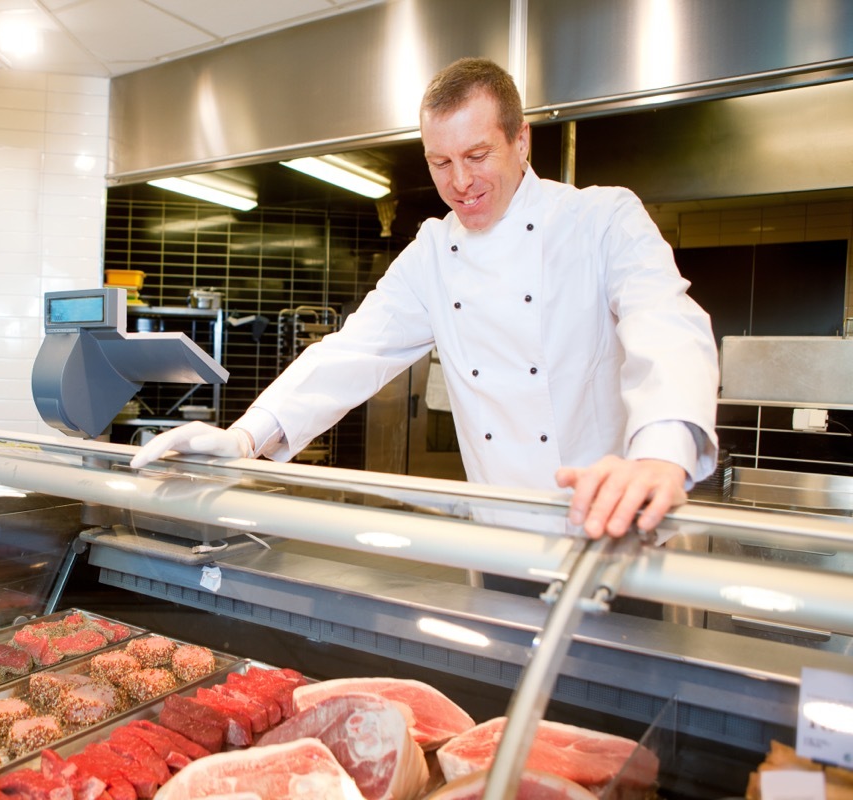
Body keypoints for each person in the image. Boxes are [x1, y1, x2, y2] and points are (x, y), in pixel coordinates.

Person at [130, 57, 719, 540]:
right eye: (440, 162)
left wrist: (660, 453)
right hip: (500, 540)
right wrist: (244, 436)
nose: (459, 182)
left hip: (612, 529)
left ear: (521, 141)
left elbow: (664, 320)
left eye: (477, 155)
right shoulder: (434, 251)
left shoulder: (600, 218)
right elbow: (353, 351)